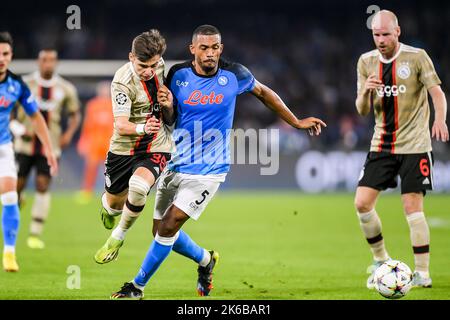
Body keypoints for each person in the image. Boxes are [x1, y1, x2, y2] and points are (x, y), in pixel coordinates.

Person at [110, 25, 326, 299]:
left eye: (215, 47)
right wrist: (165, 107)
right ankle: (205, 260)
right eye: (204, 48)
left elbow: (264, 93)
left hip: (209, 171)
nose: (210, 53)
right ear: (193, 49)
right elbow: (170, 119)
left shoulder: (235, 74)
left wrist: (295, 121)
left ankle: (136, 287)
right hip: (175, 162)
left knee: (168, 227)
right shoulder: (177, 75)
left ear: (220, 49)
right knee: (159, 232)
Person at [354, 10, 448, 289]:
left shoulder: (417, 57)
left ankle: (422, 273)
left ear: (397, 32)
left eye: (385, 34)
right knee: (362, 203)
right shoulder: (366, 61)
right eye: (376, 35)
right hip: (381, 144)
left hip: (415, 145)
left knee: (412, 207)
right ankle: (381, 261)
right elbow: (361, 111)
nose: (380, 40)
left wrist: (440, 119)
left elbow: (437, 94)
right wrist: (366, 92)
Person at [93, 29, 175, 264]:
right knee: (114, 203)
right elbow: (120, 125)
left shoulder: (160, 66)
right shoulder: (121, 81)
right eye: (143, 66)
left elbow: (169, 116)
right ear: (131, 57)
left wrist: (168, 104)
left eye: (153, 65)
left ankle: (118, 237)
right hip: (124, 148)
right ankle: (108, 207)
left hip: (157, 144)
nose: (149, 71)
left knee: (139, 187)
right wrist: (141, 129)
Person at [11, 48, 81, 249]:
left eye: (51, 60)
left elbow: (75, 114)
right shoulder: (24, 84)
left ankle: (34, 233)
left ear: (56, 62)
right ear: (38, 61)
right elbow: (7, 109)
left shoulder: (65, 88)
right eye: (44, 60)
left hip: (50, 148)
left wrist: (68, 134)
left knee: (43, 184)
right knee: (16, 189)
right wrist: (17, 128)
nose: (48, 64)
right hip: (23, 145)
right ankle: (18, 204)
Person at [0, 32, 58, 271]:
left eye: (5, 54)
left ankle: (9, 253)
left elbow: (36, 118)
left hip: (4, 148)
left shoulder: (17, 85)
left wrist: (49, 149)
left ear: (11, 56)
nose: (1, 59)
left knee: (11, 195)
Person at [76, 81, 114, 203]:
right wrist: (83, 140)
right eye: (102, 91)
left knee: (111, 169)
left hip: (109, 141)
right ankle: (87, 191)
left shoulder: (113, 105)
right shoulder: (92, 105)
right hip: (94, 141)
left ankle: (111, 192)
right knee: (91, 167)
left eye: (105, 91)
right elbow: (87, 124)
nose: (104, 94)